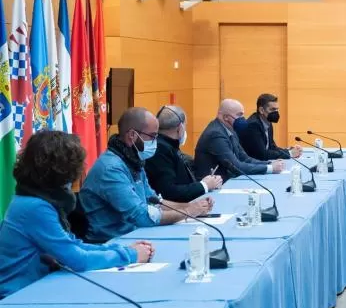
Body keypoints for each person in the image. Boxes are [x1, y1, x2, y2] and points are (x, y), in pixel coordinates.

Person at [0, 131, 154, 298]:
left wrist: (122, 249)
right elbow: (77, 259)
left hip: (32, 289)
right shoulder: (36, 207)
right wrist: (131, 255)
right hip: (17, 296)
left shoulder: (31, 198)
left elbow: (72, 245)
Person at [81, 107, 213, 243]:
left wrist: (191, 206)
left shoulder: (133, 161)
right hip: (111, 242)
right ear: (132, 135)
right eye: (153, 136)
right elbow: (141, 216)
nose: (156, 141)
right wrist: (189, 212)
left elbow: (154, 202)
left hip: (135, 235)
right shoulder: (111, 169)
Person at [145, 105, 223, 202]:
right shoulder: (162, 149)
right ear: (180, 127)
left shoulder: (168, 145)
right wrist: (204, 185)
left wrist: (206, 182)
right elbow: (169, 192)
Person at [194, 99, 286, 179]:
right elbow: (236, 166)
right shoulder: (216, 134)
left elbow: (245, 158)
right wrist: (270, 168)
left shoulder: (231, 130)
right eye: (239, 115)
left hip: (226, 180)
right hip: (214, 186)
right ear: (225, 117)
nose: (242, 119)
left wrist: (269, 163)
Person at [238, 93, 302, 161]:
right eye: (272, 109)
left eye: (277, 109)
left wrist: (289, 150)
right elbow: (262, 154)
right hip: (252, 164)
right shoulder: (253, 125)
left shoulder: (267, 122)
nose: (276, 112)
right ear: (261, 110)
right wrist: (290, 154)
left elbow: (272, 147)